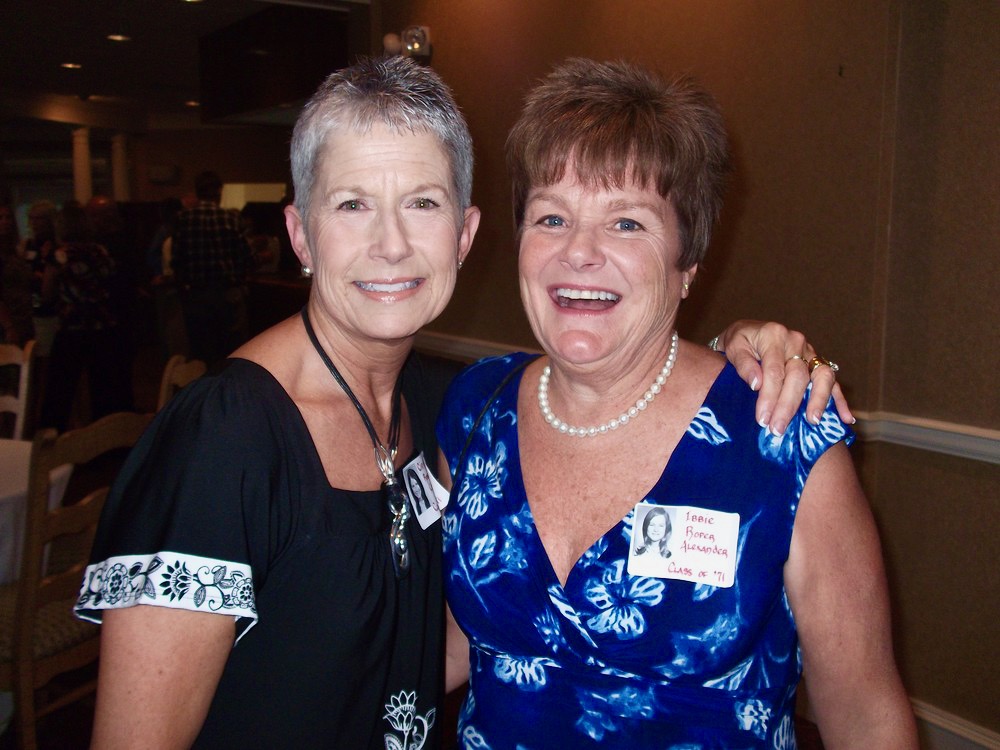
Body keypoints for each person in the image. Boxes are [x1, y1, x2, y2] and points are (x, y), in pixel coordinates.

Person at [77, 57, 848, 749]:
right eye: (351, 204)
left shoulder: (443, 407)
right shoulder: (226, 437)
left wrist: (740, 349)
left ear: (464, 233)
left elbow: (432, 647)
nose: (390, 244)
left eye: (421, 203)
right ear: (300, 234)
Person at [437, 59, 916, 748]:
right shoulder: (474, 410)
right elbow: (456, 640)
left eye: (627, 224)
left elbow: (866, 718)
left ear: (688, 264)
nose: (579, 252)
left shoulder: (779, 437)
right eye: (552, 216)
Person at [37, 202, 133, 432]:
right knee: (104, 389)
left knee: (59, 390)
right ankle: (107, 438)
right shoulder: (101, 252)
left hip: (72, 327)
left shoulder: (60, 255)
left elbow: (47, 293)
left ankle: (53, 439)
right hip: (103, 326)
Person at [171, 170, 253, 365]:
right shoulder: (230, 218)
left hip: (196, 295)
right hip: (227, 294)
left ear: (198, 192)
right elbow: (247, 257)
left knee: (201, 353)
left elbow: (177, 260)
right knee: (231, 353)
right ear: (219, 191)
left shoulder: (183, 218)